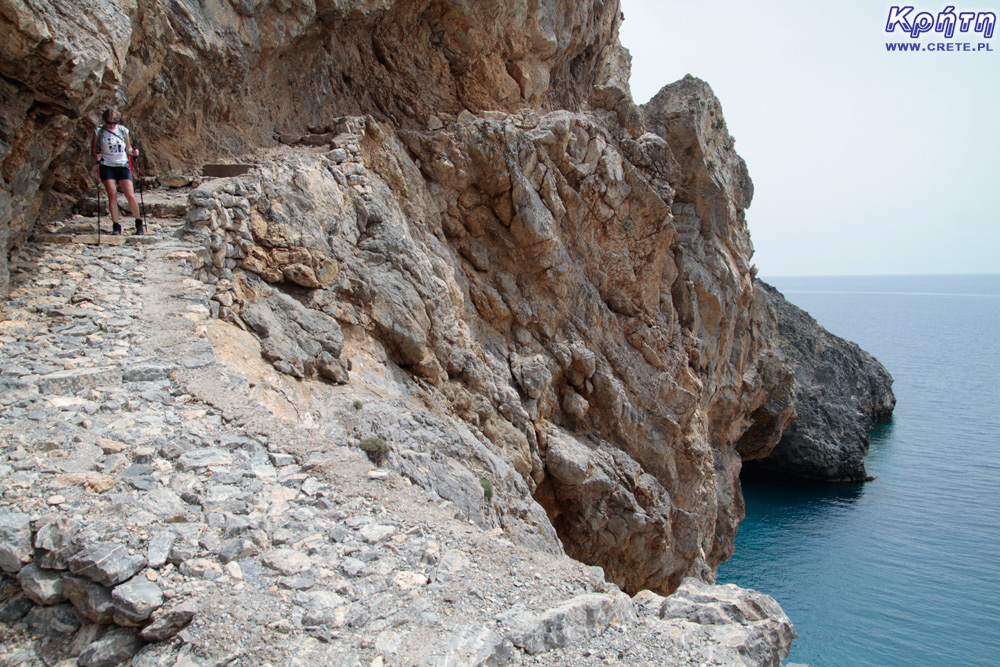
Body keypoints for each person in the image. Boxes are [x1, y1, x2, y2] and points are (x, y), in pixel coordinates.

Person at [91, 108, 143, 235]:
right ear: (105, 121)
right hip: (106, 165)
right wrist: (96, 156)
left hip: (122, 165)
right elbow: (93, 149)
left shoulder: (122, 130)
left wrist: (134, 153)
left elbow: (128, 148)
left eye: (114, 123)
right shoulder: (99, 131)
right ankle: (116, 226)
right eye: (109, 123)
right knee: (112, 194)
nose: (111, 125)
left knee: (130, 195)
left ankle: (138, 223)